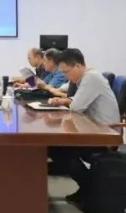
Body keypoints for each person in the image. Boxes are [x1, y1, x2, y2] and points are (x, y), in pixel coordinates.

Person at [46, 49, 121, 204]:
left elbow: (76, 107)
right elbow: (78, 101)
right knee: (58, 147)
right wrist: (64, 101)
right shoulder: (88, 77)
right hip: (95, 130)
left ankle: (89, 187)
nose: (66, 76)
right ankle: (89, 186)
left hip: (104, 136)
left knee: (57, 148)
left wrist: (68, 101)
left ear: (78, 66)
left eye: (66, 72)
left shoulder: (90, 78)